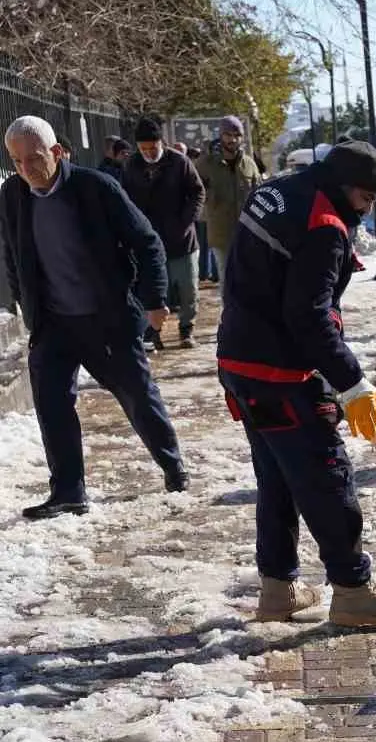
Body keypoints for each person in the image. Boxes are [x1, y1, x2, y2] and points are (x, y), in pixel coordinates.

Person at [216, 140, 376, 628]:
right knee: (327, 476)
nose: (366, 214)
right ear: (347, 188)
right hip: (280, 374)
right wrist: (352, 382)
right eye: (366, 201)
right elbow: (308, 317)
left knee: (279, 478)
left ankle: (279, 588)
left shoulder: (279, 190)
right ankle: (352, 591)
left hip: (240, 361)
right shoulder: (325, 226)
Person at [0, 115, 188, 519]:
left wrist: (154, 300)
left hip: (106, 318)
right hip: (53, 323)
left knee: (136, 395)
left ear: (55, 152)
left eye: (33, 159)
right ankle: (69, 490)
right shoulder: (13, 195)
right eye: (16, 162)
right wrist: (27, 305)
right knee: (52, 404)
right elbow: (14, 256)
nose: (26, 170)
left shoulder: (95, 187)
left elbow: (147, 242)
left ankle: (172, 464)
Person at [121, 118, 204, 349]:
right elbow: (124, 199)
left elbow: (197, 193)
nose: (149, 153)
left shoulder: (179, 162)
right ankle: (154, 332)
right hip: (149, 242)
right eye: (143, 148)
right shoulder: (131, 166)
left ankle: (187, 329)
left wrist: (185, 222)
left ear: (161, 143)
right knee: (156, 290)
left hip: (182, 239)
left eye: (153, 147)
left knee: (188, 289)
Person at [195, 116, 261, 288]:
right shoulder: (205, 163)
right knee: (227, 281)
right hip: (221, 234)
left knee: (249, 280)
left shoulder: (249, 164)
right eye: (228, 134)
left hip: (248, 233)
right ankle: (230, 314)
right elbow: (193, 191)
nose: (232, 139)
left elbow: (258, 195)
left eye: (237, 135)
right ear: (221, 135)